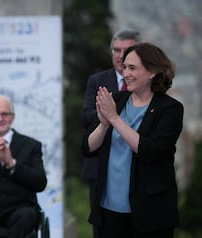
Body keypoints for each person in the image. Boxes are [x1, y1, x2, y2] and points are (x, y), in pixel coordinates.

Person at [82, 42, 183, 238]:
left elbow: (150, 150)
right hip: (108, 210)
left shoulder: (170, 109)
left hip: (150, 213)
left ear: (152, 71)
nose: (126, 73)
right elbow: (87, 147)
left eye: (133, 68)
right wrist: (103, 125)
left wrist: (113, 119)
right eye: (125, 67)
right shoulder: (116, 100)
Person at [82, 29, 140, 238]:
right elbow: (86, 118)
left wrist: (115, 117)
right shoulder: (98, 80)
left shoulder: (146, 86)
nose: (120, 55)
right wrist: (107, 115)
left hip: (136, 170)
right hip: (100, 167)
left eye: (127, 50)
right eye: (116, 49)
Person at [0, 95, 48, 238]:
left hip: (20, 209)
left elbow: (40, 183)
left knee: (26, 216)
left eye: (5, 114)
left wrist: (12, 164)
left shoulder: (31, 145)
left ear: (13, 117)